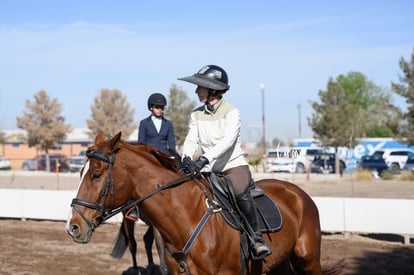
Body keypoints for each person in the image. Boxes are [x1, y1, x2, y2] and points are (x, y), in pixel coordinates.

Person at [178, 64, 272, 260]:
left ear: (213, 89)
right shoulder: (196, 114)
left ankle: (257, 238)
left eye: (200, 87)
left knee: (239, 191)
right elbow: (191, 139)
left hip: (232, 166)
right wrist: (186, 157)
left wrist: (203, 158)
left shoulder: (232, 112)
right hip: (207, 168)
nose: (196, 91)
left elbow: (227, 142)